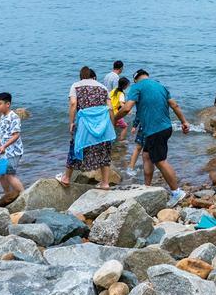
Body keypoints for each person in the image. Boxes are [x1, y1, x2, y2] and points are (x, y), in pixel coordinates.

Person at [115, 69, 190, 204]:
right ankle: (147, 188)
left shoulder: (136, 87)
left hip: (155, 130)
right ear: (147, 76)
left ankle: (177, 192)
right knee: (146, 156)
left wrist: (113, 119)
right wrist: (184, 121)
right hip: (164, 128)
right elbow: (174, 104)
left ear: (136, 79)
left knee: (160, 161)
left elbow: (127, 108)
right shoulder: (160, 86)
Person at [56, 67, 116, 189]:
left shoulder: (76, 86)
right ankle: (105, 183)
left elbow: (73, 104)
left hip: (85, 124)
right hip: (103, 124)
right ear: (93, 76)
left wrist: (71, 122)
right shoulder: (103, 87)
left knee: (76, 147)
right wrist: (112, 124)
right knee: (104, 149)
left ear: (81, 76)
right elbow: (110, 108)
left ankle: (66, 178)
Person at [0, 92, 24, 198]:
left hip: (14, 151)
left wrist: (4, 146)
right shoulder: (3, 117)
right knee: (0, 173)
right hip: (3, 152)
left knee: (9, 174)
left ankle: (24, 196)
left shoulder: (14, 117)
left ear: (7, 104)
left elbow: (16, 135)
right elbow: (1, 135)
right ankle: (8, 195)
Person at [110, 76, 130, 142]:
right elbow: (121, 104)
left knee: (113, 126)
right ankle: (121, 141)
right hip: (115, 113)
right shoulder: (121, 94)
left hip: (109, 112)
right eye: (127, 85)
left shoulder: (114, 90)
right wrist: (128, 110)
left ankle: (113, 140)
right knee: (125, 127)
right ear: (124, 86)